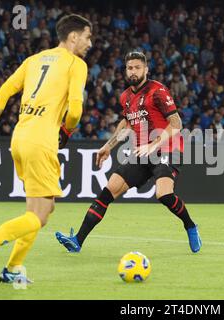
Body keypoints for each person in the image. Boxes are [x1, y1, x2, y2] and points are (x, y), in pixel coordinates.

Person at [0, 14, 92, 284]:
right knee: (39, 217)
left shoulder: (34, 60)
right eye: (88, 37)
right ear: (74, 36)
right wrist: (66, 130)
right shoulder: (76, 64)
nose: (91, 43)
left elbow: (3, 92)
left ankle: (12, 269)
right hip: (41, 140)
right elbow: (75, 110)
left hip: (20, 137)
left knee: (43, 210)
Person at [55, 51, 202, 254]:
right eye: (130, 68)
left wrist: (154, 144)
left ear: (146, 69)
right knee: (109, 189)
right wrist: (108, 146)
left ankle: (190, 226)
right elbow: (126, 124)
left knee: (163, 194)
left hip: (168, 148)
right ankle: (77, 241)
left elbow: (176, 123)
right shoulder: (125, 97)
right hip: (143, 152)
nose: (133, 71)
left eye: (137, 67)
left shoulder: (157, 90)